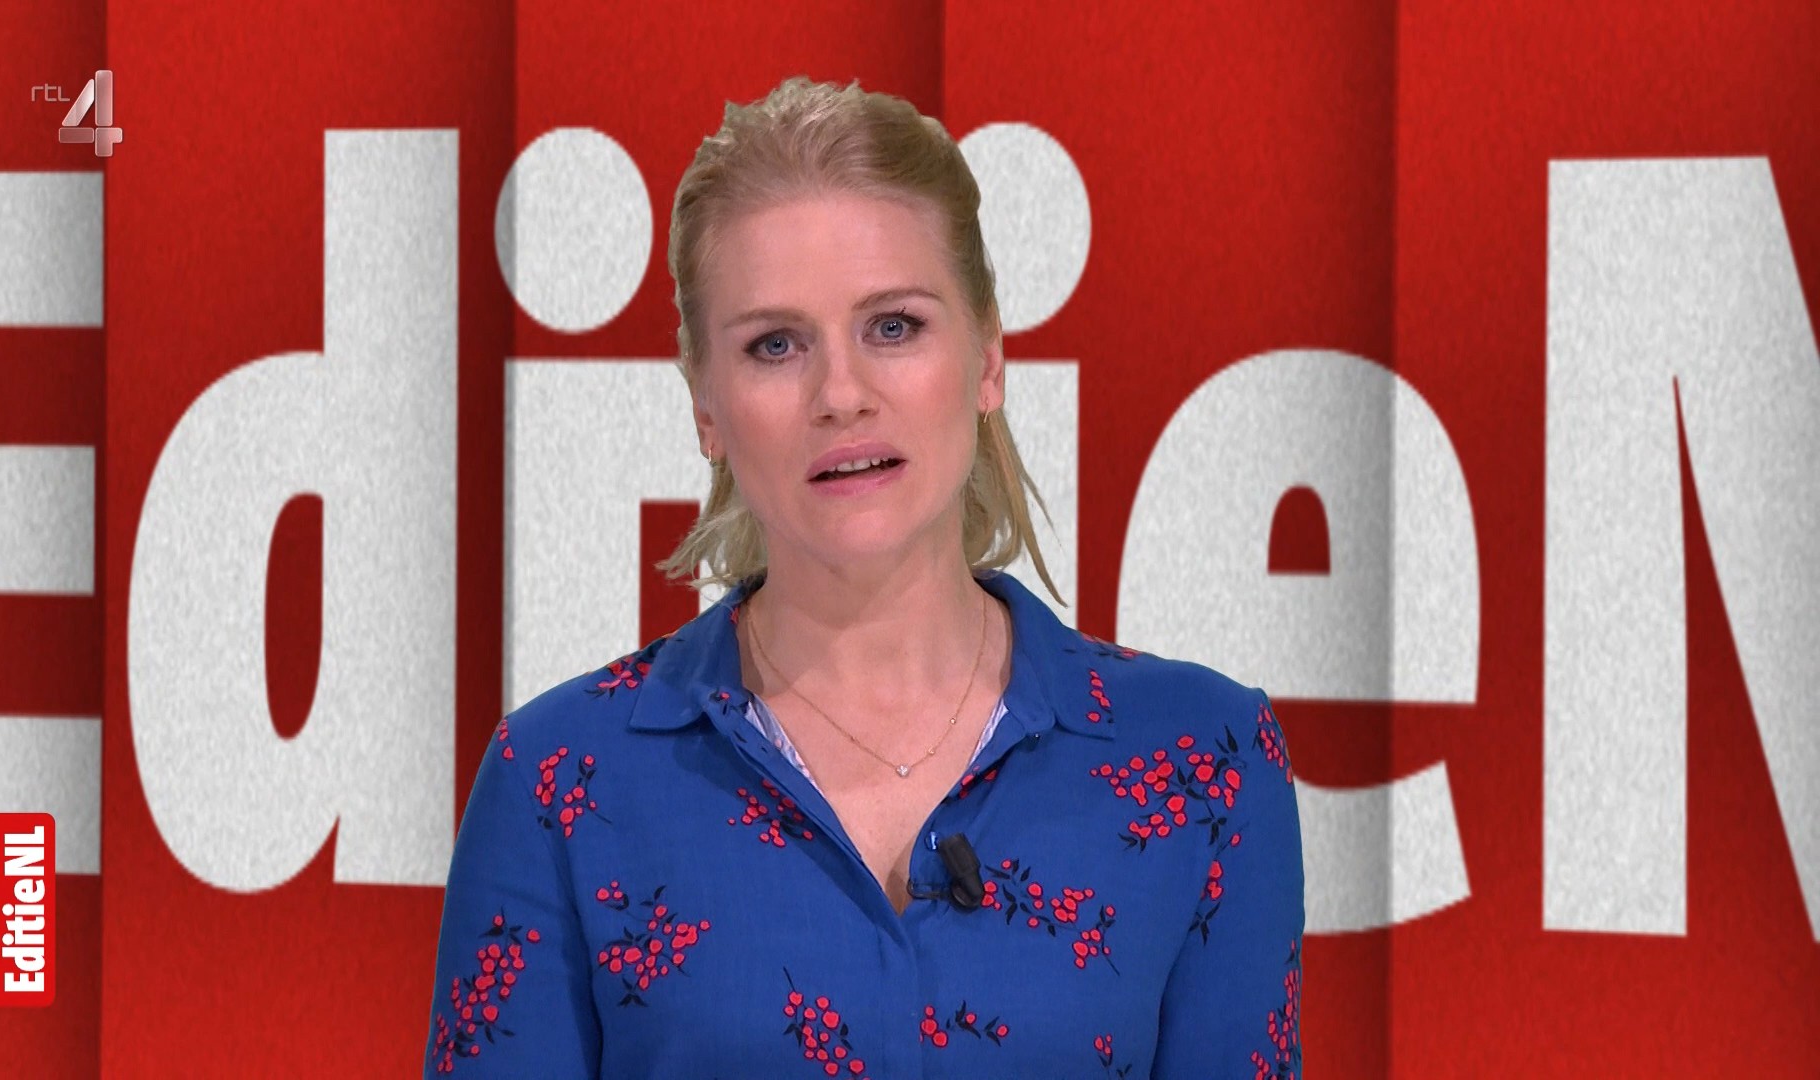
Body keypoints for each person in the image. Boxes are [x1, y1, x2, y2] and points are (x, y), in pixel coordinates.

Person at [424, 75, 1303, 1079]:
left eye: (893, 326)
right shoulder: (556, 780)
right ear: (706, 404)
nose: (841, 393)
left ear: (987, 356)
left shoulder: (1205, 760)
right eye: (775, 345)